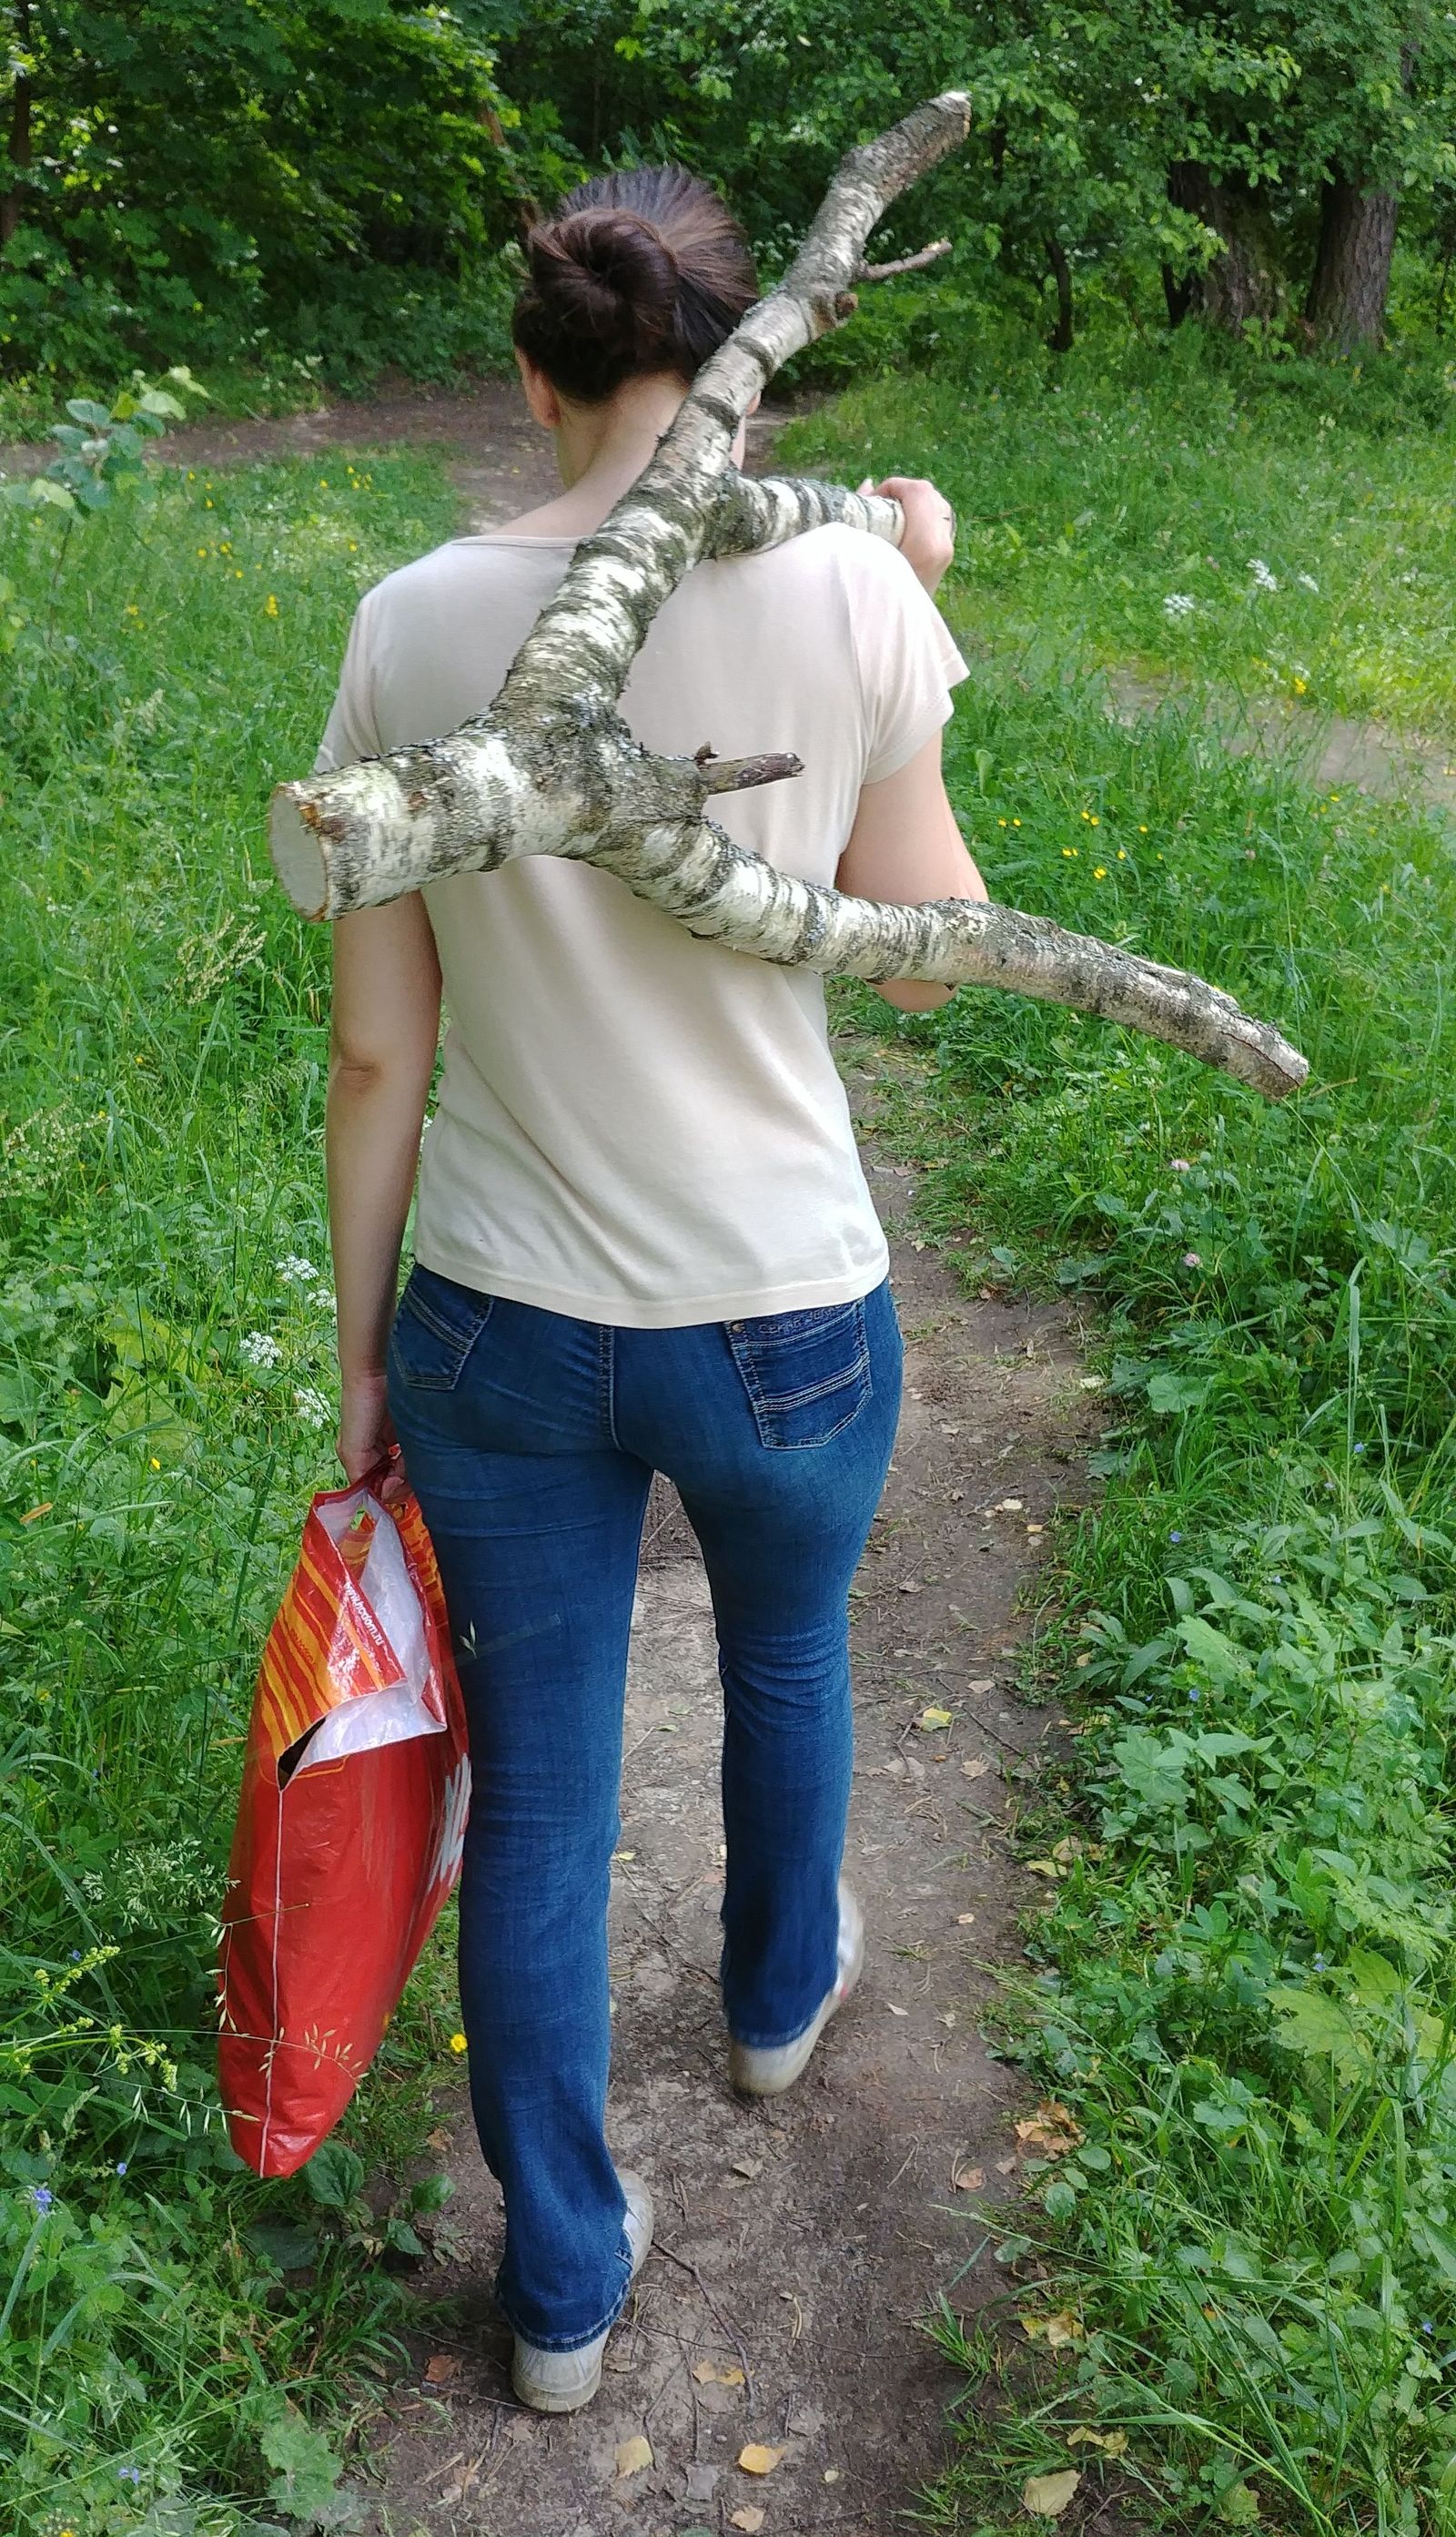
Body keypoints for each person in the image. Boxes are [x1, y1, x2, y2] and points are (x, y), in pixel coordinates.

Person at [318, 164, 986, 2413]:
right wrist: (912, 605)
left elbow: (376, 1046)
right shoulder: (850, 585)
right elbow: (916, 957)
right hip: (786, 1302)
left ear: (533, 376)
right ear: (736, 378)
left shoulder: (414, 619)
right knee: (791, 1653)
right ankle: (781, 2002)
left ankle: (559, 2297)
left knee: (542, 1798)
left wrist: (356, 1368)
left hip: (502, 1317)